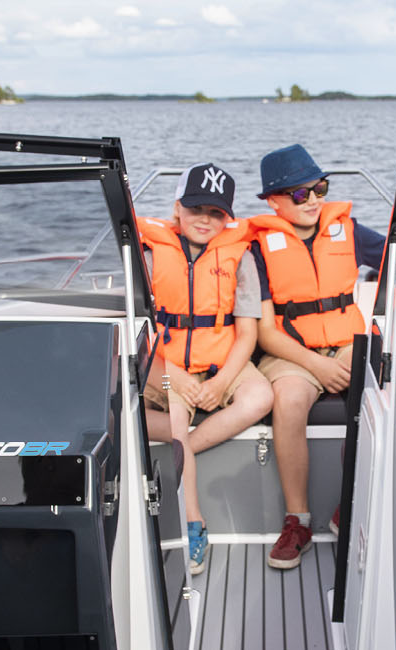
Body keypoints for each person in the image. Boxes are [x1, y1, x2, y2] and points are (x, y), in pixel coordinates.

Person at [248, 144, 396, 569]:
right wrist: (317, 365)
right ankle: (296, 520)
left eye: (320, 188)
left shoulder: (347, 231)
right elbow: (264, 331)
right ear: (273, 200)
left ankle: (349, 507)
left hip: (347, 340)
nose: (314, 200)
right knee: (290, 402)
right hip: (291, 350)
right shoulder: (259, 249)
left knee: (395, 391)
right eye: (301, 194)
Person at [140, 163, 274, 574]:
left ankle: (184, 452)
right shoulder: (148, 254)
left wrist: (221, 381)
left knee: (261, 396)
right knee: (177, 413)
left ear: (227, 218)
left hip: (221, 359)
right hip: (165, 363)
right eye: (196, 208)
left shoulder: (241, 255)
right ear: (176, 208)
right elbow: (138, 331)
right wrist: (174, 376)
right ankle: (193, 522)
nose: (205, 219)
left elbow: (248, 335)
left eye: (216, 212)